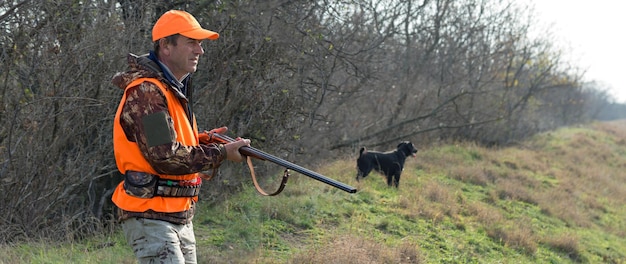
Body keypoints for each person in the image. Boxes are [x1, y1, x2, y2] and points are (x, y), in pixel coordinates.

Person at [111, 10, 250, 263]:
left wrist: (203, 140)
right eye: (191, 42)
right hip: (152, 215)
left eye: (200, 43)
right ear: (165, 45)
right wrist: (220, 153)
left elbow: (165, 142)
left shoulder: (170, 88)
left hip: (177, 214)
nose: (200, 51)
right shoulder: (147, 93)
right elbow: (165, 156)